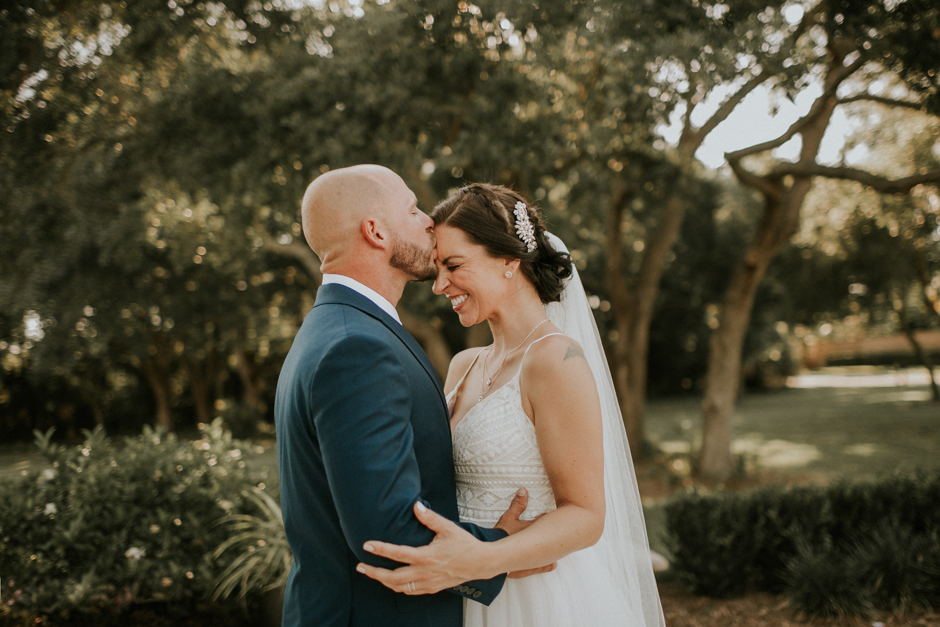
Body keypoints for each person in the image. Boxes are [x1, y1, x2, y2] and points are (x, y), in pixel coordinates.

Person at [356, 183, 666, 626]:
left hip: (537, 598)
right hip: (463, 592)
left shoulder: (556, 360)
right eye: (438, 268)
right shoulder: (464, 364)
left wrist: (484, 560)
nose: (440, 284)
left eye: (454, 265)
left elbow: (585, 515)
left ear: (508, 260)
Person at [275, 167, 547, 627]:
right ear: (375, 231)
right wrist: (499, 550)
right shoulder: (356, 348)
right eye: (412, 208)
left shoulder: (336, 330)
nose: (428, 221)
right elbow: (387, 534)